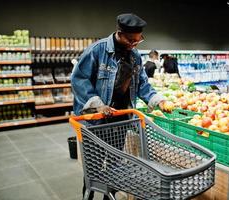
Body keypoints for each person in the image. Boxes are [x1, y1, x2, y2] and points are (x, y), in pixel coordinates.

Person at [71, 13, 169, 200]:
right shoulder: (97, 50)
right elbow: (79, 79)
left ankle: (110, 196)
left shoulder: (134, 57)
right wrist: (97, 105)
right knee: (94, 167)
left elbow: (142, 84)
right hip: (96, 122)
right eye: (130, 40)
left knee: (115, 165)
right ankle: (88, 196)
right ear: (119, 33)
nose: (133, 45)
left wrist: (158, 100)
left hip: (120, 118)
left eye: (138, 41)